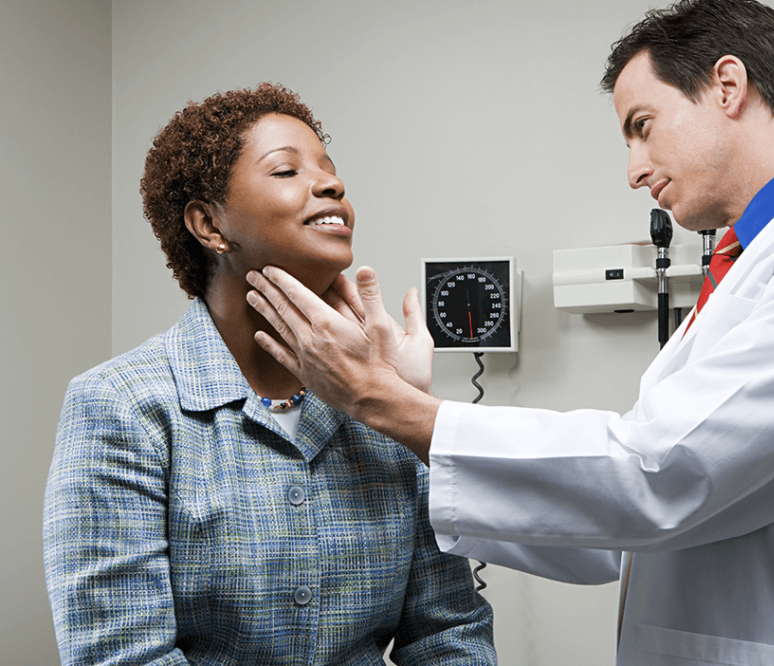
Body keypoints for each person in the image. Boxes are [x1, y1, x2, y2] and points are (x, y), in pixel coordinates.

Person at [245, 0, 774, 666]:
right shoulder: (750, 268)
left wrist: (384, 403)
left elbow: (657, 476)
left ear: (728, 85)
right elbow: (616, 525)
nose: (634, 170)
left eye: (642, 126)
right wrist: (410, 418)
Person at [43, 84, 495, 666]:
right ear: (210, 225)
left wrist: (400, 399)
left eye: (330, 170)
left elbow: (448, 634)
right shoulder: (121, 407)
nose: (332, 184)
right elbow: (122, 654)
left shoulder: (390, 401)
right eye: (286, 170)